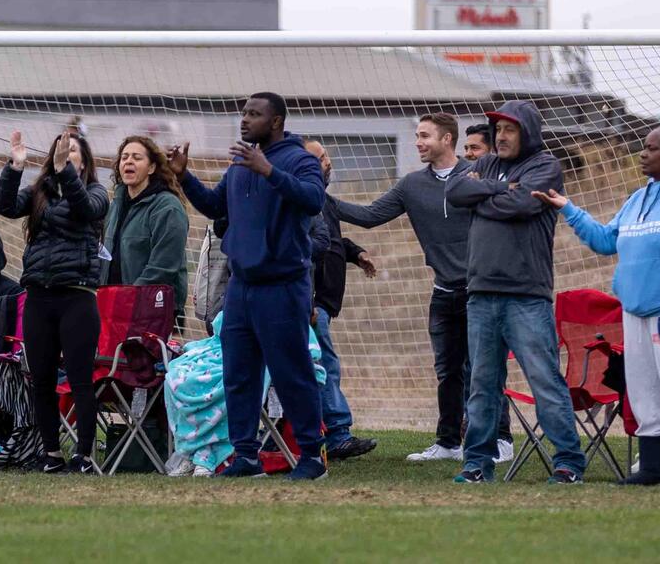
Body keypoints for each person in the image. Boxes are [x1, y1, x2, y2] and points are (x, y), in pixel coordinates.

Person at [540, 117, 660, 486]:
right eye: (643, 147)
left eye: (651, 148)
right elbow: (605, 241)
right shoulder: (638, 198)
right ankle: (653, 469)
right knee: (643, 388)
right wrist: (567, 207)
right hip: (636, 308)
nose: (642, 154)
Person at [330, 113, 510, 464]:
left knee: (483, 369)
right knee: (448, 372)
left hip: (481, 289)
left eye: (424, 135)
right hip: (443, 293)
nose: (417, 142)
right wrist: (316, 197)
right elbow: (368, 215)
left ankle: (500, 439)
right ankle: (447, 443)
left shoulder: (477, 174)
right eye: (416, 135)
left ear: (447, 139)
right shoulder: (411, 185)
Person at [173, 92, 330, 481]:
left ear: (276, 122)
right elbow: (214, 207)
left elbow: (313, 200)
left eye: (254, 114)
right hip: (241, 287)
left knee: (291, 371)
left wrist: (269, 172)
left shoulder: (299, 160)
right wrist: (183, 176)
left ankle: (312, 457)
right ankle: (246, 456)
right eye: (243, 113)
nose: (244, 120)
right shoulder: (241, 162)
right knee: (238, 373)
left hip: (282, 286)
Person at [445, 100, 586, 484]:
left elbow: (522, 204)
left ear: (528, 131)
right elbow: (456, 192)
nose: (501, 137)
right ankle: (477, 464)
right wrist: (497, 189)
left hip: (526, 294)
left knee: (544, 379)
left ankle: (569, 462)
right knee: (482, 385)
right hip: (481, 293)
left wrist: (486, 197)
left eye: (510, 129)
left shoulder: (545, 165)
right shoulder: (489, 164)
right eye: (498, 130)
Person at [0, 128, 107, 475]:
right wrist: (14, 168)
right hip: (39, 296)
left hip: (77, 297)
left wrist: (65, 173)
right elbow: (5, 207)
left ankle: (83, 455)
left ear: (84, 161)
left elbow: (85, 210)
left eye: (73, 150)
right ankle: (51, 454)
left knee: (79, 378)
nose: (66, 152)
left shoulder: (96, 192)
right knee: (41, 379)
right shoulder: (39, 192)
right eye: (62, 149)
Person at [304, 140, 378, 462]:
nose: (328, 163)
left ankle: (329, 433)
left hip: (324, 306)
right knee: (325, 367)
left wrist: (355, 252)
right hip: (313, 304)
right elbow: (308, 249)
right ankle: (336, 434)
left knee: (323, 367)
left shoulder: (326, 202)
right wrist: (309, 302)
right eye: (320, 160)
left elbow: (333, 240)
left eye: (327, 157)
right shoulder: (303, 202)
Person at [105, 136, 189, 301]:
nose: (129, 161)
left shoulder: (167, 207)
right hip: (112, 303)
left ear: (151, 168)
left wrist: (131, 296)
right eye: (124, 157)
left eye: (137, 158)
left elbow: (163, 266)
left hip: (151, 307)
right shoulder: (115, 204)